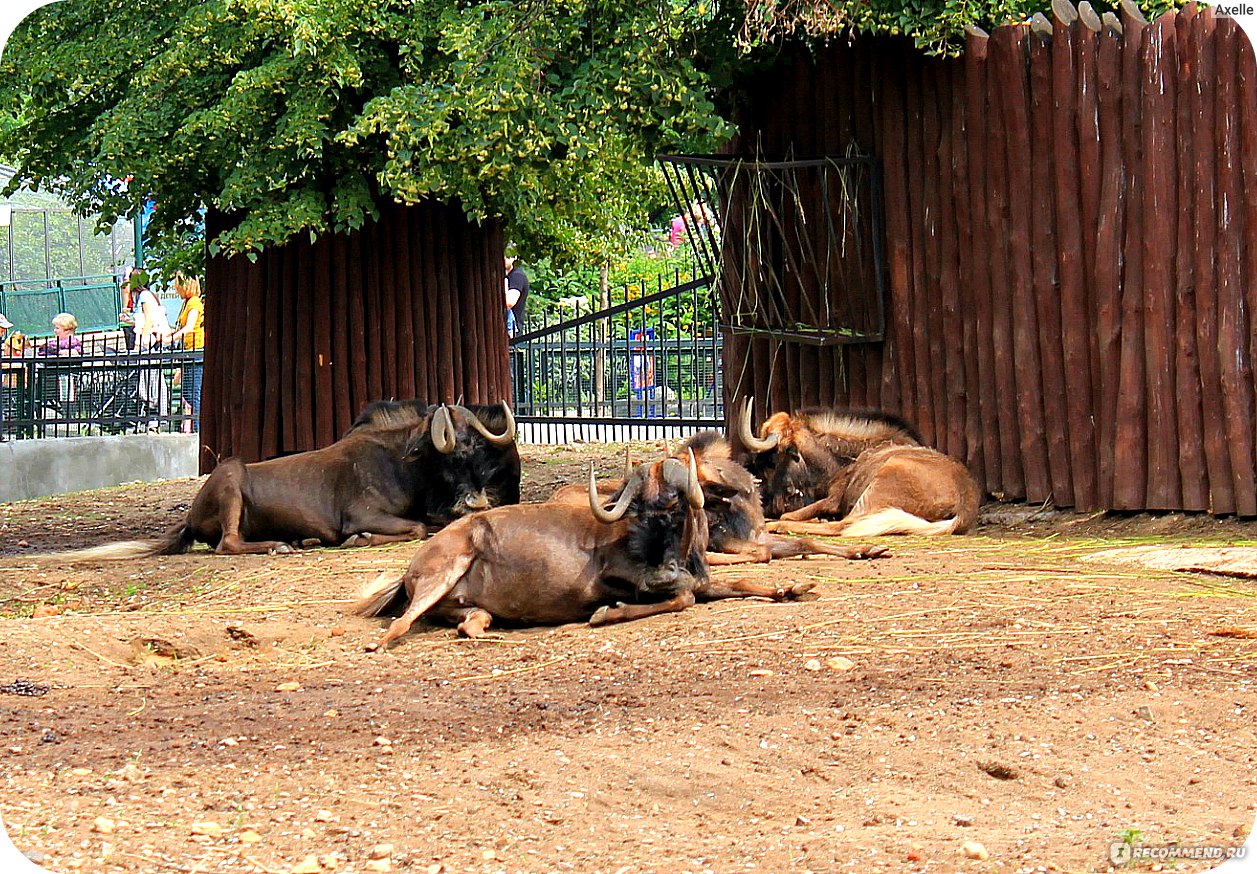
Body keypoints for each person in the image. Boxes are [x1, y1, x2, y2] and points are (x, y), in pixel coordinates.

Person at [127, 270, 171, 431]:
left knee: (152, 380)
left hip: (149, 345)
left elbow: (149, 320)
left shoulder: (145, 296)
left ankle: (157, 416)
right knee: (148, 380)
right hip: (149, 343)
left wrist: (142, 343)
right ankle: (152, 416)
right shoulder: (144, 296)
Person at [167, 274, 205, 433]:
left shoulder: (195, 302)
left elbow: (189, 327)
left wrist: (169, 340)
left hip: (195, 352)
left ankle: (196, 431)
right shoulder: (186, 303)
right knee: (187, 393)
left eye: (178, 285)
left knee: (193, 394)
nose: (176, 288)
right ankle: (188, 428)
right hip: (188, 352)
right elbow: (179, 328)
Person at [504, 254, 529, 336]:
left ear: (515, 258)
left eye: (508, 256)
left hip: (512, 332)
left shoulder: (517, 276)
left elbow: (509, 302)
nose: (504, 258)